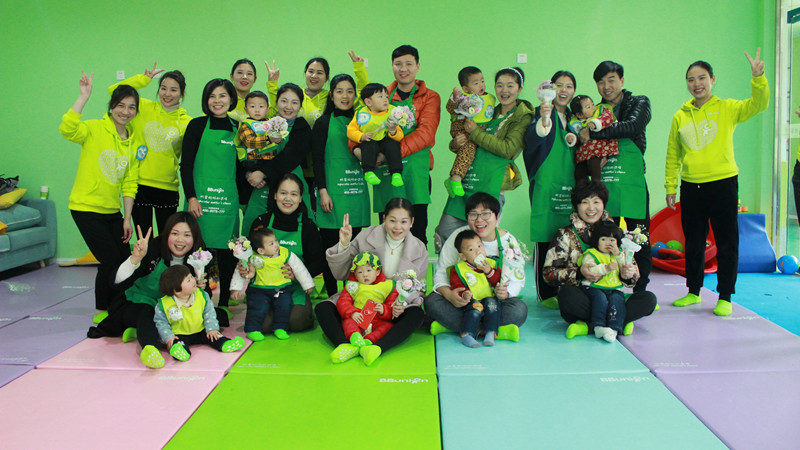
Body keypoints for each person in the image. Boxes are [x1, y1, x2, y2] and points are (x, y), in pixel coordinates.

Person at [665, 50, 768, 316]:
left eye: (701, 78)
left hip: (723, 183)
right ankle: (693, 291)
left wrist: (758, 78)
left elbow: (758, 105)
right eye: (691, 79)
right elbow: (673, 154)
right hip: (691, 185)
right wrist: (670, 187)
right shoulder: (680, 115)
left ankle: (725, 296)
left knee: (726, 241)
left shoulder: (728, 108)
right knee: (694, 242)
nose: (696, 83)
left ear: (712, 79)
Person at [86, 212, 226, 369]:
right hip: (141, 303)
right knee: (149, 314)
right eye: (175, 234)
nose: (180, 240)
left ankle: (137, 331)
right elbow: (116, 283)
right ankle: (149, 349)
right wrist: (135, 259)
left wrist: (201, 287)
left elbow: (204, 298)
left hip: (172, 308)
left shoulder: (199, 257)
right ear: (166, 234)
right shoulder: (153, 249)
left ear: (194, 238)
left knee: (218, 315)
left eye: (187, 235)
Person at [60, 71, 141, 323]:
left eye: (131, 107)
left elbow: (130, 182)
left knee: (126, 259)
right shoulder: (94, 128)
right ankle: (101, 310)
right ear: (111, 106)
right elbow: (67, 129)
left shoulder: (133, 141)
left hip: (111, 210)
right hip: (85, 208)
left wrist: (126, 218)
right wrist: (83, 97)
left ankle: (120, 307)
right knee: (109, 260)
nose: (125, 112)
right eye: (121, 105)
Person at [315, 198, 428, 366]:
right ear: (384, 218)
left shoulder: (419, 249)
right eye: (392, 220)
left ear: (412, 222)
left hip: (390, 308)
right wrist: (344, 245)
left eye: (404, 221)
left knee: (416, 314)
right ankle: (345, 345)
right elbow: (341, 273)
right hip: (358, 302)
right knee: (323, 308)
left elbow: (417, 288)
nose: (397, 227)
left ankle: (378, 347)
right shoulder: (367, 236)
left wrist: (401, 305)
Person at [543, 179, 657, 339]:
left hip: (614, 296)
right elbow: (548, 274)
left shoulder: (616, 233)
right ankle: (618, 321)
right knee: (567, 296)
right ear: (577, 206)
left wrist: (628, 274)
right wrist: (579, 273)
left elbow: (633, 276)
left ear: (604, 204)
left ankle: (589, 325)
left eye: (596, 202)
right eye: (585, 202)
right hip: (585, 296)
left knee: (648, 299)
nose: (591, 208)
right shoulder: (565, 235)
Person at [351, 45, 440, 246]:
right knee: (386, 234)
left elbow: (426, 135)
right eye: (398, 64)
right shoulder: (382, 95)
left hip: (415, 172)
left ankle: (415, 268)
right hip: (386, 173)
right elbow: (361, 124)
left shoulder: (430, 97)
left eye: (409, 63)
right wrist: (357, 150)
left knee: (417, 232)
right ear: (392, 66)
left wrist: (389, 155)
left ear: (418, 66)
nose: (403, 68)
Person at [435, 67, 533, 249]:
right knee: (445, 234)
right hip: (466, 183)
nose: (504, 90)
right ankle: (450, 269)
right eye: (500, 85)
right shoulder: (487, 109)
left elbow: (508, 149)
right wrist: (455, 144)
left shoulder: (522, 116)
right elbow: (469, 146)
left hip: (491, 184)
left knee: (482, 241)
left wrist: (475, 132)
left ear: (519, 89)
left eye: (510, 85)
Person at [581, 60, 652, 293]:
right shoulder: (596, 110)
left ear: (622, 80)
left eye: (611, 80)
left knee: (640, 236)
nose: (606, 86)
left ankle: (641, 289)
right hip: (605, 182)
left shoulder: (639, 102)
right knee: (605, 236)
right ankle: (606, 288)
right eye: (600, 82)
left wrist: (593, 131)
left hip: (631, 181)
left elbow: (632, 126)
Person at [266, 53, 370, 210]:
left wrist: (359, 69)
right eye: (310, 71)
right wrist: (273, 85)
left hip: (324, 168)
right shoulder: (296, 96)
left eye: (320, 72)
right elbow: (277, 111)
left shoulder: (333, 97)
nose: (314, 76)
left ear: (327, 78)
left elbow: (363, 100)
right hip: (296, 164)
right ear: (305, 73)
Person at [425, 192, 528, 341]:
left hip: (494, 304)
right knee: (431, 302)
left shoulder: (508, 242)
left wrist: (506, 293)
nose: (479, 220)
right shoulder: (458, 237)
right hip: (465, 303)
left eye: (486, 214)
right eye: (473, 215)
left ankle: (460, 328)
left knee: (519, 310)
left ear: (497, 216)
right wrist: (450, 295)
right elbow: (441, 272)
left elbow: (518, 278)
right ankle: (492, 330)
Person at [109, 62, 191, 235]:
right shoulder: (143, 108)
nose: (167, 94)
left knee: (166, 239)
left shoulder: (187, 122)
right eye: (163, 88)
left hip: (168, 187)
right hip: (139, 184)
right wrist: (144, 79)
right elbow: (115, 92)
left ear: (182, 94)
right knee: (143, 239)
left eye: (173, 90)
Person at [180, 78, 241, 310]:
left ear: (231, 99)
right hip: (200, 202)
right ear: (206, 100)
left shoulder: (239, 129)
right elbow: (186, 165)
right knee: (196, 253)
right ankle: (199, 300)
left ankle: (223, 302)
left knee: (227, 254)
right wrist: (191, 197)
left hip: (226, 202)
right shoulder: (196, 126)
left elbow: (242, 167)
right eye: (212, 96)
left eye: (222, 95)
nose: (217, 101)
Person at [312, 74, 371, 298]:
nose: (344, 96)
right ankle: (331, 296)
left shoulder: (363, 121)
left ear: (355, 95)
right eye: (339, 91)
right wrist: (323, 191)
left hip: (356, 193)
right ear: (331, 95)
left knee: (354, 251)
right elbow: (317, 159)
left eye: (349, 91)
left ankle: (350, 296)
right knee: (332, 249)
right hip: (332, 194)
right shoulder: (323, 123)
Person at [523, 70, 578, 309]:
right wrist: (544, 120)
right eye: (559, 85)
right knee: (545, 238)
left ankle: (568, 288)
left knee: (570, 239)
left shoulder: (576, 118)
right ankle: (545, 294)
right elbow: (531, 141)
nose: (564, 90)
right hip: (546, 183)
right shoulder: (540, 112)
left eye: (569, 86)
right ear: (550, 89)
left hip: (571, 184)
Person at [247, 173, 326, 332]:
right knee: (262, 325)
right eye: (283, 193)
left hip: (294, 288)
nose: (288, 198)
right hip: (264, 288)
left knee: (297, 321)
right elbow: (250, 255)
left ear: (300, 198)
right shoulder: (261, 223)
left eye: (293, 194)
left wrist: (296, 274)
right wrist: (247, 268)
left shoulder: (308, 226)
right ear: (275, 195)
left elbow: (319, 263)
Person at [241, 83, 313, 233]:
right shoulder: (263, 125)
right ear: (276, 102)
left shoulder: (302, 127)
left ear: (300, 106)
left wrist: (262, 173)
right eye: (284, 101)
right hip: (262, 188)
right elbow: (248, 151)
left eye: (294, 102)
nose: (289, 107)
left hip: (292, 184)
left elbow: (290, 157)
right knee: (254, 233)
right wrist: (250, 173)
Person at [153, 265, 245, 364]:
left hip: (202, 330)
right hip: (179, 334)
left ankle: (225, 343)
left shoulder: (202, 295)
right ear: (176, 290)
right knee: (178, 343)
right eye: (188, 280)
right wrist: (169, 337)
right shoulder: (164, 304)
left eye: (191, 277)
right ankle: (181, 352)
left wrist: (212, 328)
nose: (193, 280)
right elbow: (161, 323)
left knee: (215, 336)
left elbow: (209, 312)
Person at [238, 227, 315, 341]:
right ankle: (252, 329)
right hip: (260, 290)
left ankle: (280, 328)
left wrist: (307, 284)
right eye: (271, 243)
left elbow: (299, 268)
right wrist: (236, 288)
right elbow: (240, 271)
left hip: (283, 289)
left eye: (276, 241)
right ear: (261, 251)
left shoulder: (285, 253)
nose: (276, 245)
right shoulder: (253, 257)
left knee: (284, 306)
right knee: (258, 309)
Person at [444, 66, 496, 197]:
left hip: (480, 132)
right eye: (476, 83)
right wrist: (455, 98)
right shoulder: (464, 97)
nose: (481, 85)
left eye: (482, 81)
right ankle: (456, 178)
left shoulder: (490, 98)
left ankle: (451, 180)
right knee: (469, 147)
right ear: (466, 89)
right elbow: (451, 107)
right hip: (463, 130)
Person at [450, 230, 504, 348]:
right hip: (471, 301)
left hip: (489, 298)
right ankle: (467, 334)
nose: (478, 251)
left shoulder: (492, 264)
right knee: (476, 309)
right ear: (463, 256)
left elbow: (498, 282)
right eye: (471, 249)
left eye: (480, 246)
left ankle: (490, 332)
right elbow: (456, 286)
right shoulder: (459, 269)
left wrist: (489, 271)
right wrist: (464, 294)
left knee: (493, 306)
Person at [336, 252, 399, 352]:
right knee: (348, 323)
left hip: (377, 320)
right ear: (355, 275)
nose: (365, 275)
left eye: (369, 270)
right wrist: (352, 313)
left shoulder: (388, 286)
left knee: (387, 327)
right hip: (358, 318)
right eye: (360, 272)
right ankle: (355, 338)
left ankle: (368, 341)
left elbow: (392, 305)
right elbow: (343, 302)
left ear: (377, 271)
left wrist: (383, 310)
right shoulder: (353, 286)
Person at [347, 83, 405, 187]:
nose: (385, 100)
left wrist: (393, 131)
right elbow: (351, 130)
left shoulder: (392, 112)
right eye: (380, 97)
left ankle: (396, 173)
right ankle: (368, 172)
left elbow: (400, 136)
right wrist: (361, 136)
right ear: (368, 102)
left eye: (386, 96)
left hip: (384, 139)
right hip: (369, 139)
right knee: (369, 146)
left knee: (393, 145)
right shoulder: (361, 113)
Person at [577, 221, 627, 342]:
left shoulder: (617, 255)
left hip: (613, 288)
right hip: (594, 287)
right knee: (600, 299)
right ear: (596, 240)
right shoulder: (591, 254)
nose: (608, 243)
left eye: (612, 240)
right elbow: (590, 270)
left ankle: (614, 328)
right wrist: (606, 268)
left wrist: (618, 254)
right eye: (603, 239)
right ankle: (598, 326)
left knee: (617, 300)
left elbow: (624, 266)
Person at [569, 95, 618, 181]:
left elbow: (608, 117)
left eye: (593, 104)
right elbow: (577, 136)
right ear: (580, 115)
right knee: (579, 170)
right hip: (584, 151)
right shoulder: (575, 122)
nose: (593, 108)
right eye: (588, 107)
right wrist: (572, 138)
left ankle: (596, 185)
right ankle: (581, 186)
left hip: (599, 147)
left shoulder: (600, 111)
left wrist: (596, 123)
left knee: (594, 164)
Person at [237, 91, 282, 164]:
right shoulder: (246, 124)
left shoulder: (271, 123)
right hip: (253, 161)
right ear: (246, 110)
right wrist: (269, 139)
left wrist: (279, 139)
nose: (257, 110)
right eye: (252, 106)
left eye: (261, 106)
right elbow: (249, 142)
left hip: (272, 160)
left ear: (267, 109)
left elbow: (279, 139)